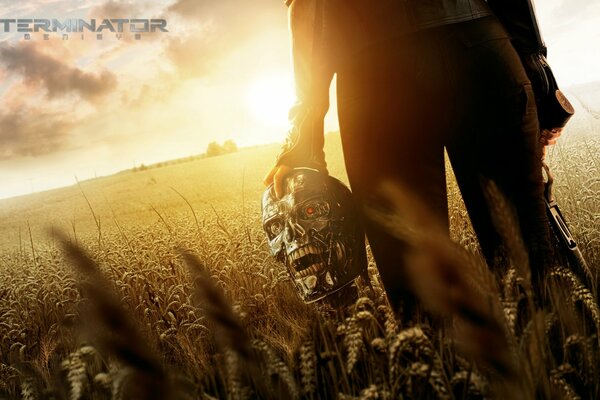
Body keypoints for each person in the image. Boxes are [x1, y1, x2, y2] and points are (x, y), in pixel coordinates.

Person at [264, 0, 564, 314]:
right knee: (531, 265)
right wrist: (538, 71)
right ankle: (556, 355)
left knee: (419, 297)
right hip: (482, 52)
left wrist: (303, 136)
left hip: (377, 81)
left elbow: (308, 7)